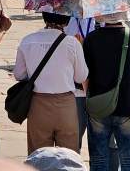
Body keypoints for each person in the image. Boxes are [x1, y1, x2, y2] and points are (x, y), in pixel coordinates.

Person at [82, 12, 130, 171]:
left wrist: (90, 95)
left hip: (98, 107)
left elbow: (84, 77)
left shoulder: (91, 39)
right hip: (129, 107)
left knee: (99, 159)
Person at [13, 11, 88, 153]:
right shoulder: (72, 43)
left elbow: (19, 74)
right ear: (66, 21)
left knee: (39, 156)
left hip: (38, 103)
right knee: (68, 156)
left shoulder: (27, 41)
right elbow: (81, 76)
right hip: (66, 105)